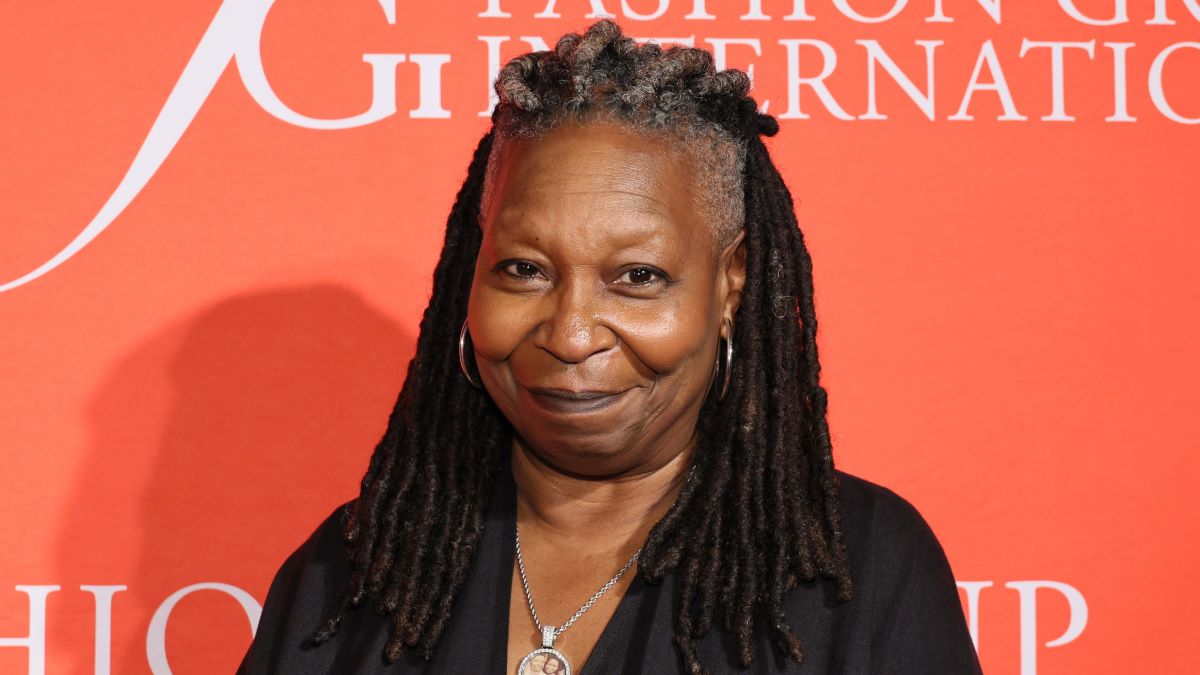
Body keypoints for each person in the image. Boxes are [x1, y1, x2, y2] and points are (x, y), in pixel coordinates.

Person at [237, 19, 982, 675]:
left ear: (730, 285)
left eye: (637, 277)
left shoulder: (861, 572)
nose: (569, 334)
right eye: (524, 270)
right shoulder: (352, 570)